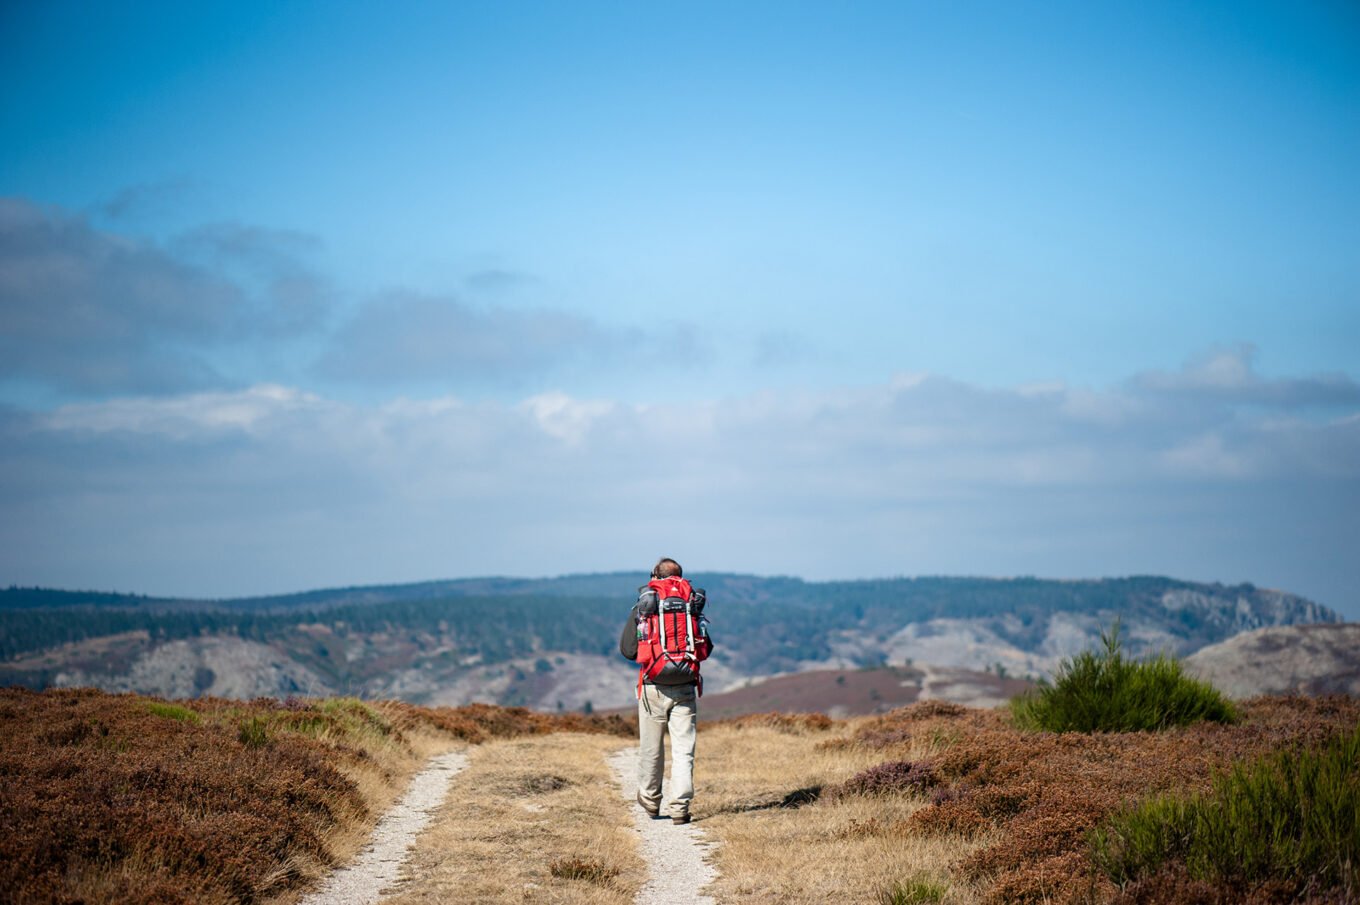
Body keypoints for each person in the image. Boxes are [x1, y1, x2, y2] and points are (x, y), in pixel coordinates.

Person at [619, 556, 712, 825]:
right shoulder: (690, 604)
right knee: (684, 751)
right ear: (681, 577)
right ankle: (680, 808)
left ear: (655, 576)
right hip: (685, 686)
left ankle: (650, 801)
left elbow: (628, 649)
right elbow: (705, 647)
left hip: (652, 686)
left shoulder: (645, 604)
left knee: (652, 749)